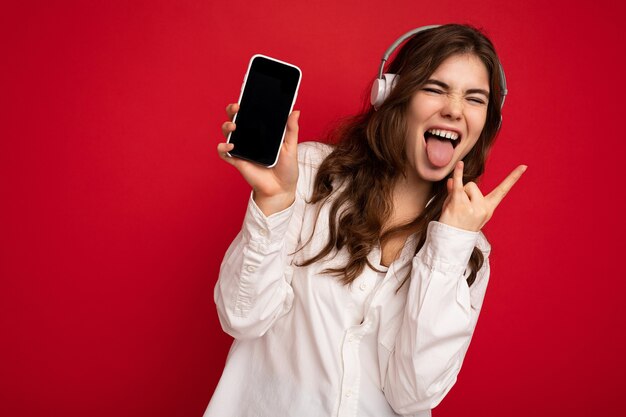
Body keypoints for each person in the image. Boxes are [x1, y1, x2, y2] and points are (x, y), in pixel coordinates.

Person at [205, 24, 527, 417]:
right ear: (391, 94)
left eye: (474, 99)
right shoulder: (307, 173)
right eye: (435, 88)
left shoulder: (467, 250)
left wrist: (449, 248)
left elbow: (413, 395)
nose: (454, 110)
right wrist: (273, 202)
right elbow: (241, 317)